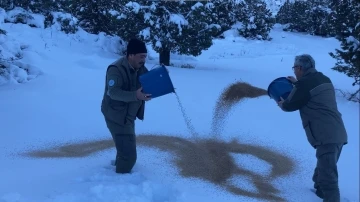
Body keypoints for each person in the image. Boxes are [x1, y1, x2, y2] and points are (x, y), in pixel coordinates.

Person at [277, 54, 348, 202]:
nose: (294, 71)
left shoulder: (304, 84)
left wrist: (282, 103)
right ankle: (317, 193)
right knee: (323, 168)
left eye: (295, 68)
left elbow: (290, 105)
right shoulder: (324, 79)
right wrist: (297, 83)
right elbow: (311, 91)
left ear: (300, 68)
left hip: (326, 135)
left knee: (328, 178)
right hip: (337, 132)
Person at [101, 38, 151, 174]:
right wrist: (136, 95)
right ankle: (120, 181)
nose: (144, 60)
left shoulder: (140, 67)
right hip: (116, 116)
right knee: (129, 156)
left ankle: (118, 167)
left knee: (125, 146)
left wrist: (161, 77)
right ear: (131, 55)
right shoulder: (116, 69)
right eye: (141, 56)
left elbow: (148, 80)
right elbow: (113, 92)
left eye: (145, 56)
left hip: (128, 115)